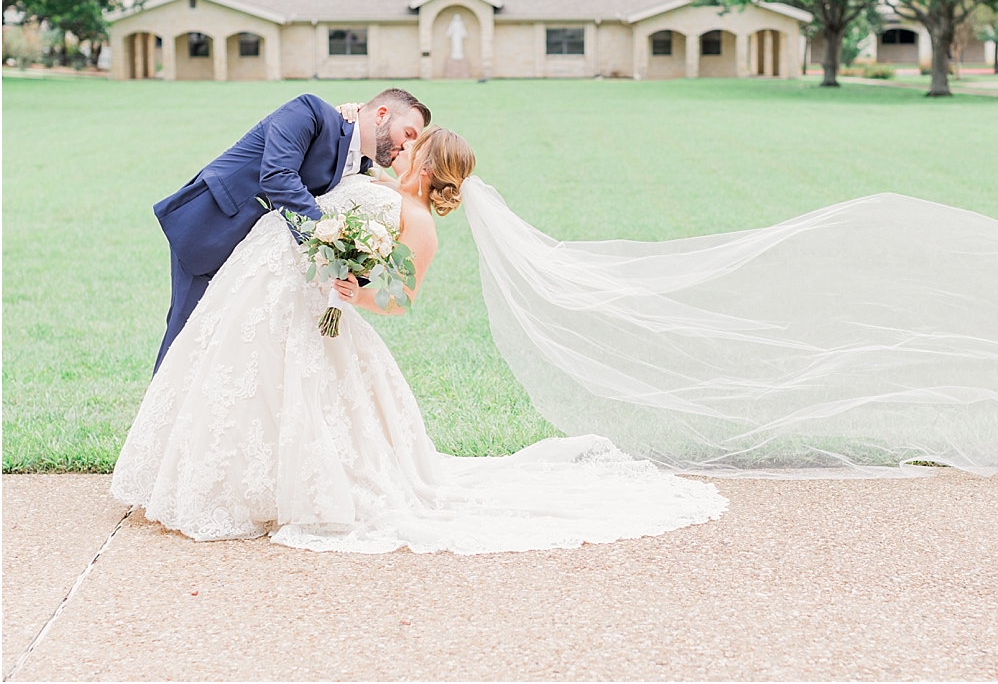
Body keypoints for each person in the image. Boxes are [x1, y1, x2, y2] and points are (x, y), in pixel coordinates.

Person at [112, 119, 727, 555]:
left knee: (298, 395)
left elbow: (400, 299)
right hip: (269, 282)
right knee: (244, 381)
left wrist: (354, 291)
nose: (401, 148)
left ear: (429, 165)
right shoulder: (372, 182)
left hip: (316, 305)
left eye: (414, 144)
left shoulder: (419, 224)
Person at [150, 89, 430, 373]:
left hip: (259, 263)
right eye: (408, 133)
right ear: (382, 114)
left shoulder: (363, 164)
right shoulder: (309, 111)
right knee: (186, 335)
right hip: (217, 226)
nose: (408, 146)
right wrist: (330, 242)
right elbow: (277, 176)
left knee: (232, 350)